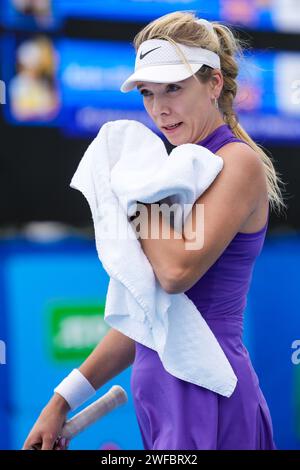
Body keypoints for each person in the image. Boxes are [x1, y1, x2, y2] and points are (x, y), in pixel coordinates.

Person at [23, 11, 286, 450]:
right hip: (160, 398)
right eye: (147, 93)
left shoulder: (239, 163)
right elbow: (151, 316)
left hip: (211, 396)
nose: (159, 108)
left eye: (174, 89)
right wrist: (60, 401)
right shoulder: (167, 174)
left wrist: (137, 191)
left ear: (214, 84)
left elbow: (175, 272)